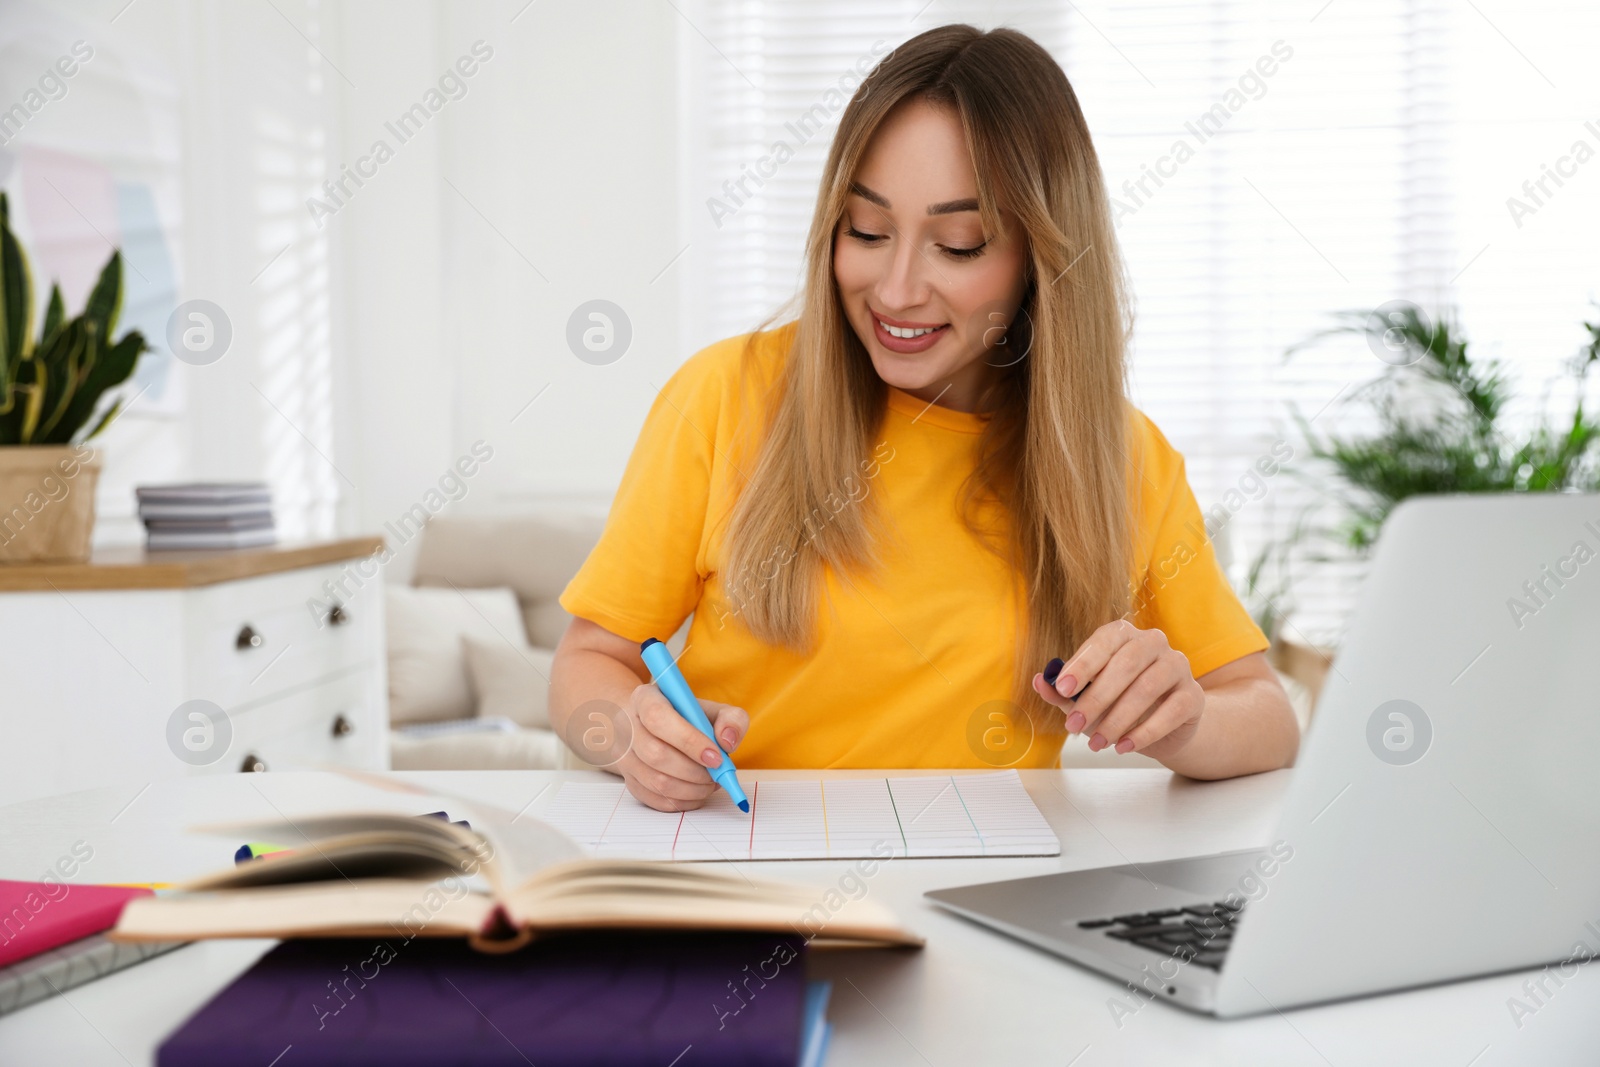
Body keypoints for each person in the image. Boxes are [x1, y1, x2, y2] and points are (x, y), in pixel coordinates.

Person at [550, 24, 1299, 813]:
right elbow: (588, 661)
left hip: (987, 898)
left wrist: (1184, 720)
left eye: (959, 244)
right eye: (867, 231)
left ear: (1043, 262)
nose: (897, 288)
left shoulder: (1119, 456)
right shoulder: (723, 396)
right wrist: (629, 734)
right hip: (742, 880)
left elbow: (1268, 716)